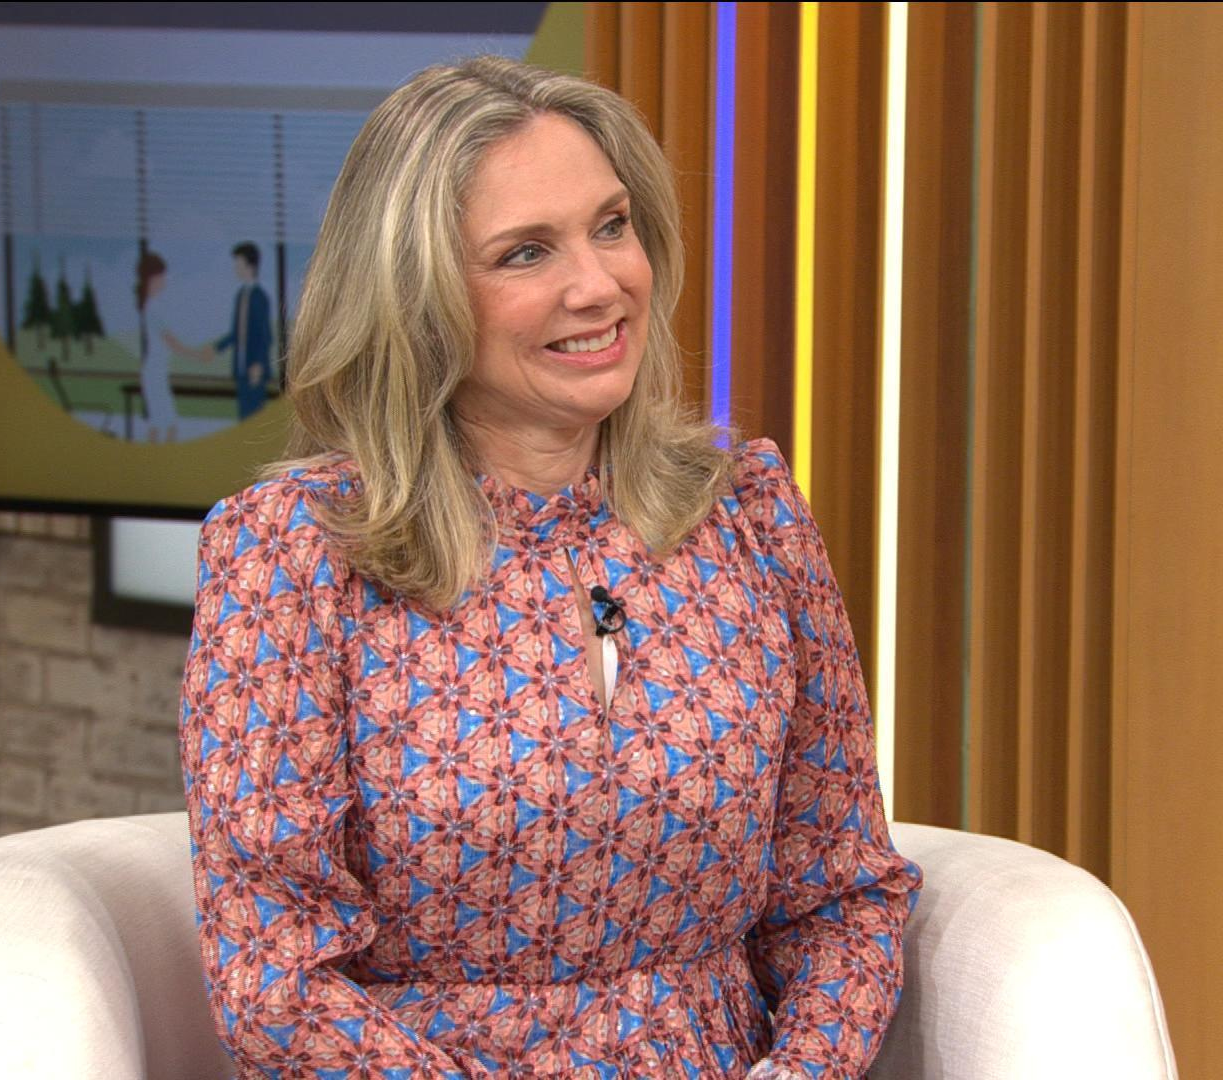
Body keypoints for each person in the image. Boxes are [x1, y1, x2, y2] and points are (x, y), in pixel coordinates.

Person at [179, 55, 919, 1080]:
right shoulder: (292, 554)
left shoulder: (749, 512)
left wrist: (799, 1072)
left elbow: (840, 892)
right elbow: (275, 979)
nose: (599, 284)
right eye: (525, 252)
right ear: (417, 297)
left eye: (611, 226)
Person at [215, 240, 274, 419]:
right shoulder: (241, 295)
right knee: (243, 417)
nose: (236, 269)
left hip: (254, 370)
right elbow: (237, 333)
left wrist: (259, 364)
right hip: (240, 368)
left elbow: (265, 335)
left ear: (250, 266)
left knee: (254, 419)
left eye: (239, 264)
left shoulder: (259, 297)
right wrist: (216, 349)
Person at [134, 251, 180, 443]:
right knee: (166, 423)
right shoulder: (153, 308)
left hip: (157, 370)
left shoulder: (153, 306)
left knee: (160, 422)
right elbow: (171, 342)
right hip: (155, 371)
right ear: (152, 279)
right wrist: (198, 355)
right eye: (161, 276)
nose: (164, 280)